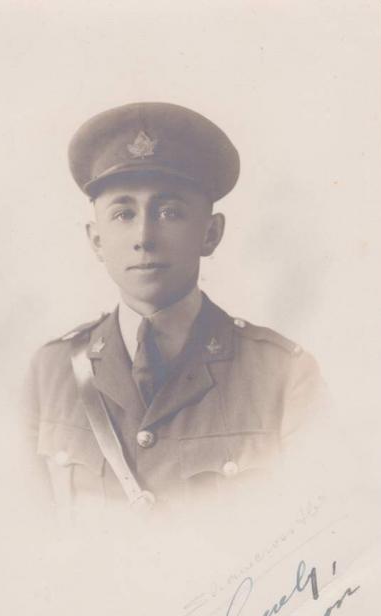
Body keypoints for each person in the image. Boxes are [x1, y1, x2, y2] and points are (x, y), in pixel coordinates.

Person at [25, 102, 323, 517]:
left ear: (211, 233)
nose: (144, 237)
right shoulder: (50, 372)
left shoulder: (284, 377)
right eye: (123, 214)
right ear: (96, 240)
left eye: (169, 212)